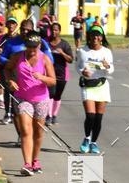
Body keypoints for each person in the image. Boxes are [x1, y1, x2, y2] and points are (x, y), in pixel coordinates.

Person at [3, 30, 56, 175]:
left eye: (34, 46)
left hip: (41, 100)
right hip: (22, 98)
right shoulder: (17, 57)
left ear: (39, 45)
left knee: (38, 132)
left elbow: (53, 81)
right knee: (26, 130)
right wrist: (10, 80)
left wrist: (42, 77)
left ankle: (35, 160)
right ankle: (27, 164)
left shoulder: (44, 59)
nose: (31, 49)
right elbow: (7, 69)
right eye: (29, 46)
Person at [0, 19, 53, 138]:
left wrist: (45, 51)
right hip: (15, 81)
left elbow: (50, 60)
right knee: (16, 113)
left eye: (27, 29)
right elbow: (2, 58)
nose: (24, 31)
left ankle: (29, 135)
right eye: (23, 29)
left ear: (32, 30)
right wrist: (13, 62)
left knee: (34, 117)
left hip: (35, 85)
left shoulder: (41, 42)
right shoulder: (11, 42)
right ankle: (22, 135)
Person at [76, 25, 114, 154]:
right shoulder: (82, 51)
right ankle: (87, 138)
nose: (95, 37)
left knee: (98, 117)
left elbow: (111, 69)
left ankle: (94, 143)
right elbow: (78, 67)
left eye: (98, 35)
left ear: (102, 38)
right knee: (90, 116)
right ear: (89, 36)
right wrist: (83, 73)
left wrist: (107, 66)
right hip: (88, 86)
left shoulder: (106, 52)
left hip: (102, 86)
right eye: (93, 34)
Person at [47, 22, 73, 125]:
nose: (54, 32)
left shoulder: (64, 44)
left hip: (62, 74)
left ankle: (54, 116)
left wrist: (62, 53)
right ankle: (48, 116)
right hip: (49, 74)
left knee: (57, 96)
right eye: (52, 29)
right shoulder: (46, 43)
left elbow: (71, 59)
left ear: (59, 31)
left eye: (56, 30)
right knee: (50, 94)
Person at [0, 14, 6, 111]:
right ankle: (1, 99)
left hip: (4, 63)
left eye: (1, 24)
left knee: (2, 82)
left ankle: (3, 100)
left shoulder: (6, 37)